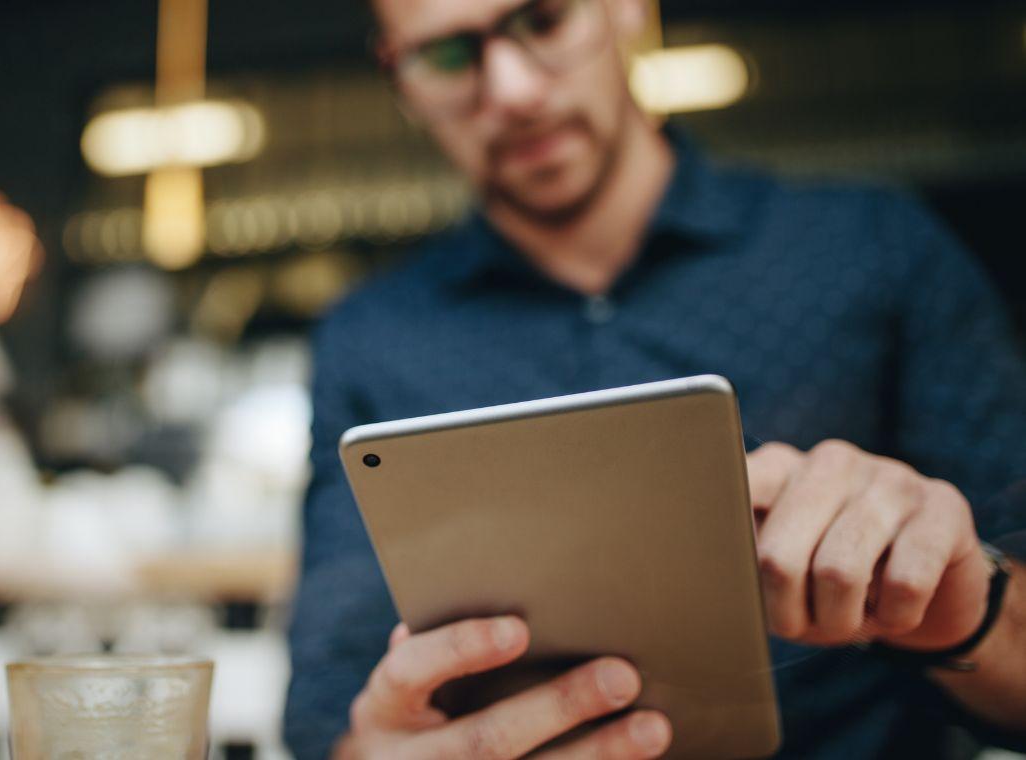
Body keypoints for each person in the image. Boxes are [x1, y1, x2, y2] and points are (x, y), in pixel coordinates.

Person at [284, 0, 1026, 756]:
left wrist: (971, 612)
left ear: (628, 9)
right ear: (399, 79)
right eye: (446, 57)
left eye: (543, 22)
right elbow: (327, 711)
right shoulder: (371, 338)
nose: (511, 91)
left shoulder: (874, 247)